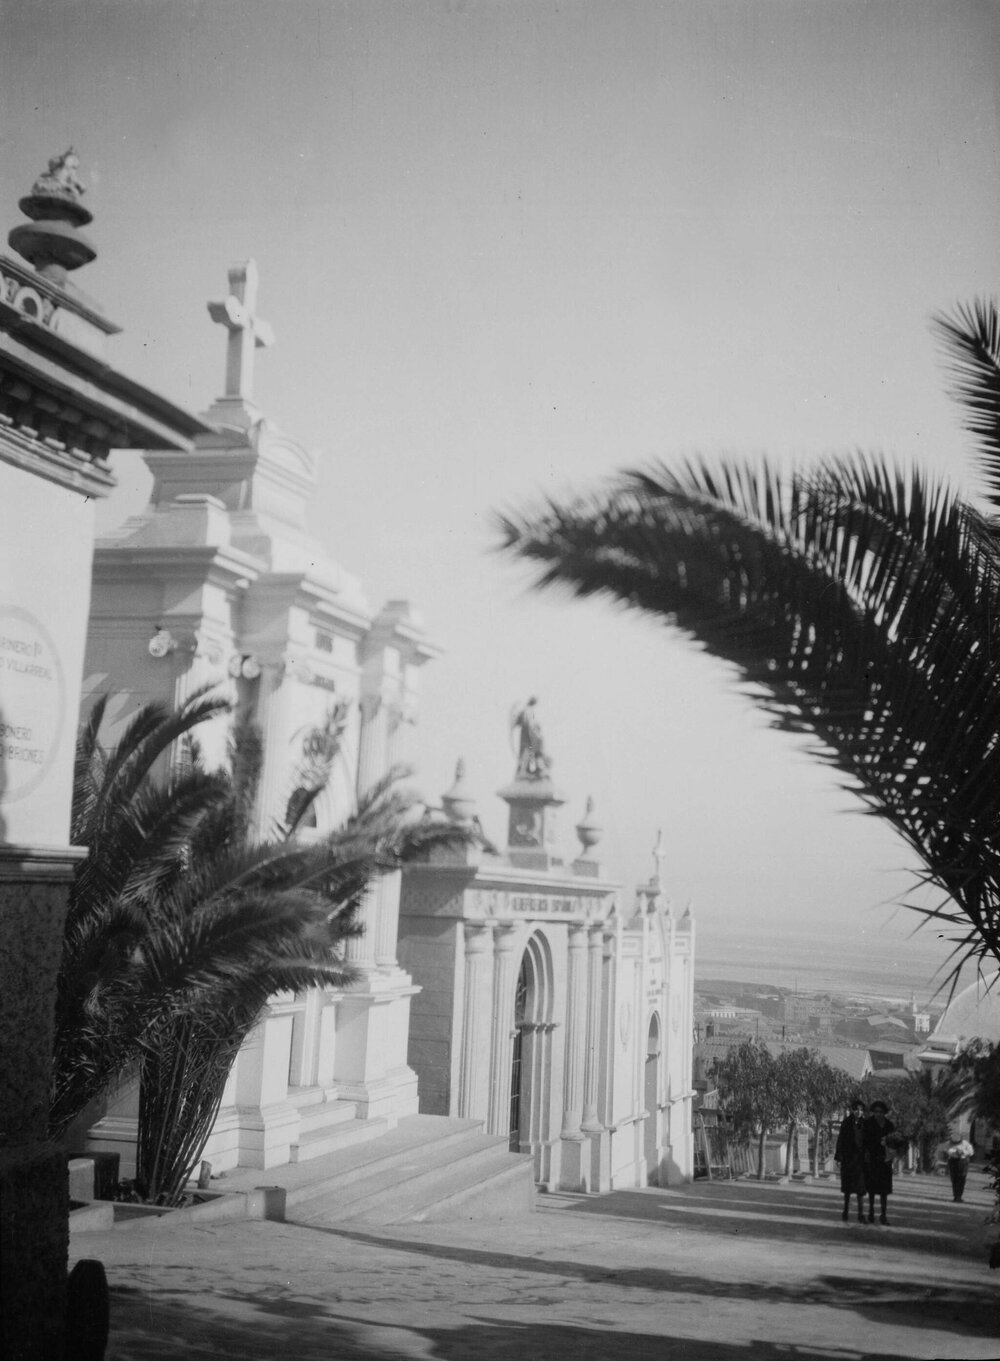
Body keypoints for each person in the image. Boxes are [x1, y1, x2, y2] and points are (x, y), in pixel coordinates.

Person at [863, 1099, 898, 1225]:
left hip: (885, 1160)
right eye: (876, 1111)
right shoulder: (868, 1123)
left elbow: (894, 1141)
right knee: (872, 1189)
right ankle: (871, 1213)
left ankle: (883, 1215)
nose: (878, 1114)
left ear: (884, 1112)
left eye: (881, 1112)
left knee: (884, 1190)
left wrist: (889, 1146)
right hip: (872, 1160)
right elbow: (864, 1141)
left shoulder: (889, 1125)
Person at [834, 1097, 867, 1223]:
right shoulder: (846, 1123)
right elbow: (840, 1140)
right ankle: (845, 1212)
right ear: (852, 1110)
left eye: (861, 1110)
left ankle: (860, 1215)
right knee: (847, 1190)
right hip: (848, 1160)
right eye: (856, 1110)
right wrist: (839, 1157)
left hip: (861, 1162)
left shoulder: (866, 1124)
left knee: (860, 1190)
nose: (859, 1112)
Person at [946, 1136, 974, 1203]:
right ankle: (955, 1196)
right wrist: (955, 1152)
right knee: (954, 1179)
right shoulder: (949, 1143)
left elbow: (971, 1152)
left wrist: (963, 1152)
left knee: (961, 1179)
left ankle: (959, 1196)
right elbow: (947, 1150)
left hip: (963, 1161)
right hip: (953, 1161)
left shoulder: (966, 1144)